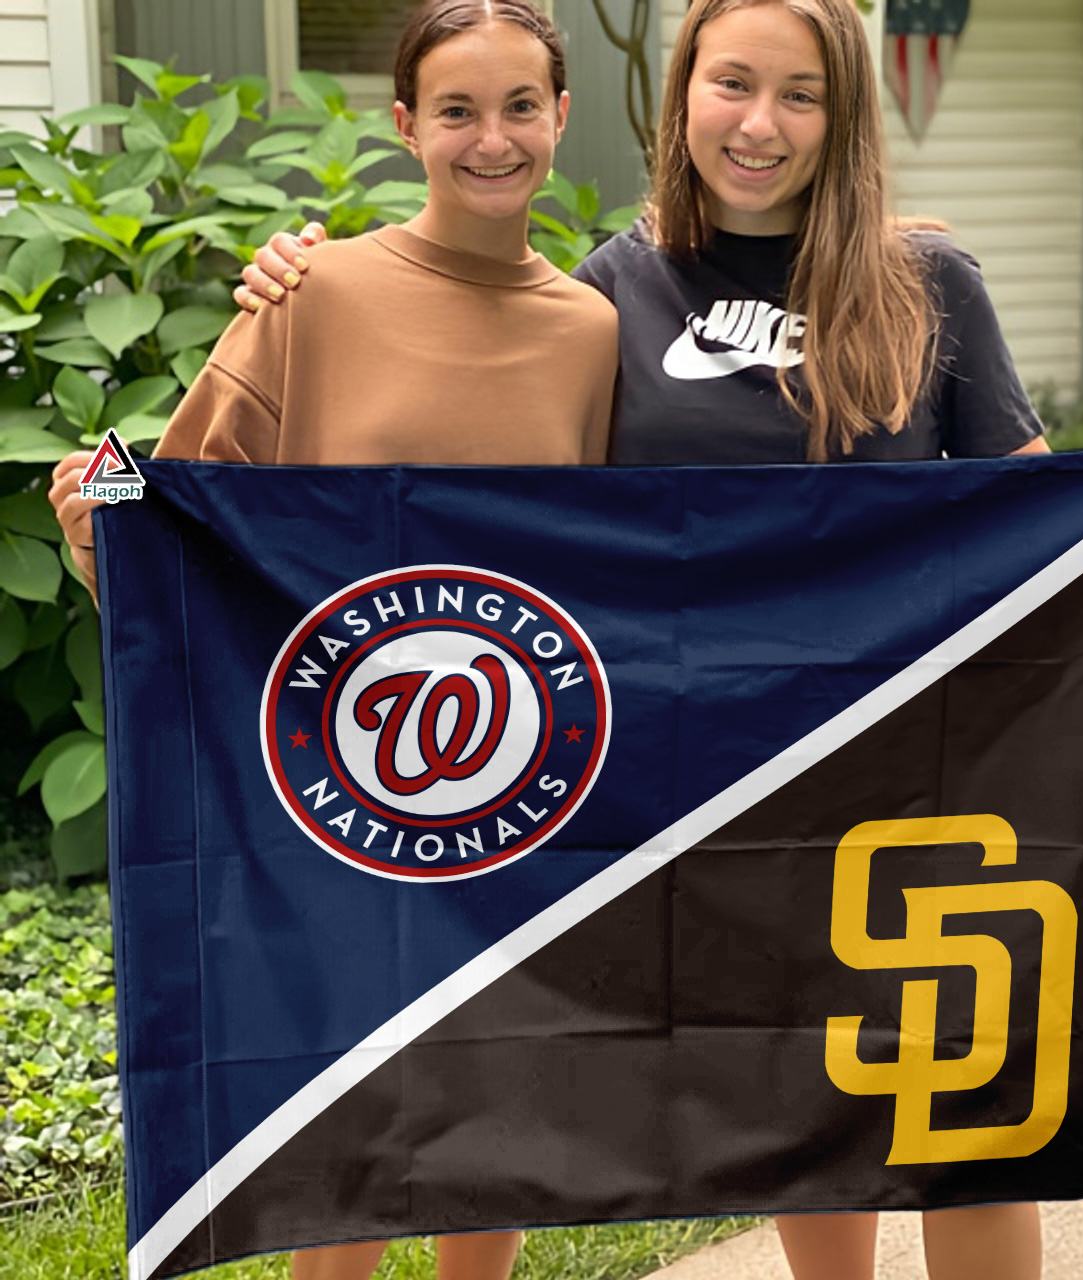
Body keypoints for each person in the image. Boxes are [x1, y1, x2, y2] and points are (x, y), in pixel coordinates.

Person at [238, 2, 1083, 1278]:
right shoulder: (607, 296)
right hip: (718, 784)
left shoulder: (925, 282)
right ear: (681, 96)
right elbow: (523, 510)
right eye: (732, 83)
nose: (759, 122)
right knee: (798, 1101)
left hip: (915, 767)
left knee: (962, 1111)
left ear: (843, 116)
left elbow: (1030, 519)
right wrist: (301, 285)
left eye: (801, 94)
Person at [47, 3, 616, 1280]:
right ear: (403, 123)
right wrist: (96, 537)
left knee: (494, 1103)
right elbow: (173, 513)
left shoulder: (591, 331)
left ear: (560, 117)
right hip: (336, 779)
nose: (491, 139)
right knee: (351, 1112)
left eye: (520, 107)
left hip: (517, 778)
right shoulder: (317, 290)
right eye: (456, 111)